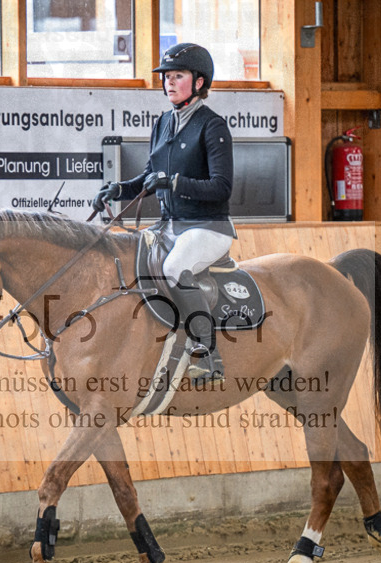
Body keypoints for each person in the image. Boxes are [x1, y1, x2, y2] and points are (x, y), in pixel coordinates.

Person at [92, 43, 234, 383]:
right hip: (170, 226)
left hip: (208, 227)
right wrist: (120, 188)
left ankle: (207, 352)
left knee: (174, 267)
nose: (169, 83)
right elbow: (149, 176)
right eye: (167, 77)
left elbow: (221, 187)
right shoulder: (163, 123)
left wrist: (174, 183)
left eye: (178, 76)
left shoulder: (212, 127)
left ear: (199, 82)